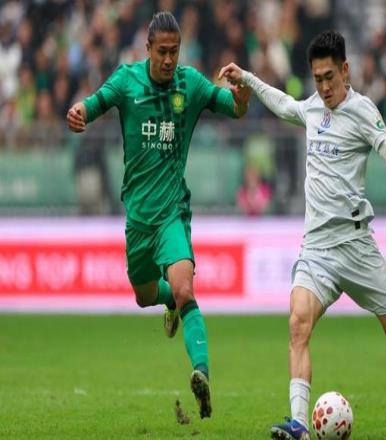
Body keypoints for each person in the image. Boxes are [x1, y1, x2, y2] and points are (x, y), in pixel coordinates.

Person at [219, 30, 386, 440]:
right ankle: (299, 424)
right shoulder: (312, 107)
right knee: (297, 323)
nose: (323, 87)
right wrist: (247, 78)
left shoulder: (362, 110)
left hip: (355, 246)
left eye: (329, 77)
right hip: (317, 248)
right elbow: (284, 103)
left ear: (345, 70)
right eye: (317, 78)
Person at [67, 11, 251, 419]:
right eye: (162, 51)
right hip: (138, 218)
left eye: (175, 51)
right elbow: (94, 104)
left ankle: (201, 373)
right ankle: (166, 302)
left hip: (172, 213)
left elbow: (232, 107)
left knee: (185, 289)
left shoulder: (191, 84)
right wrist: (80, 111)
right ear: (147, 48)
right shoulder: (126, 81)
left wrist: (241, 98)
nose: (169, 59)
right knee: (145, 295)